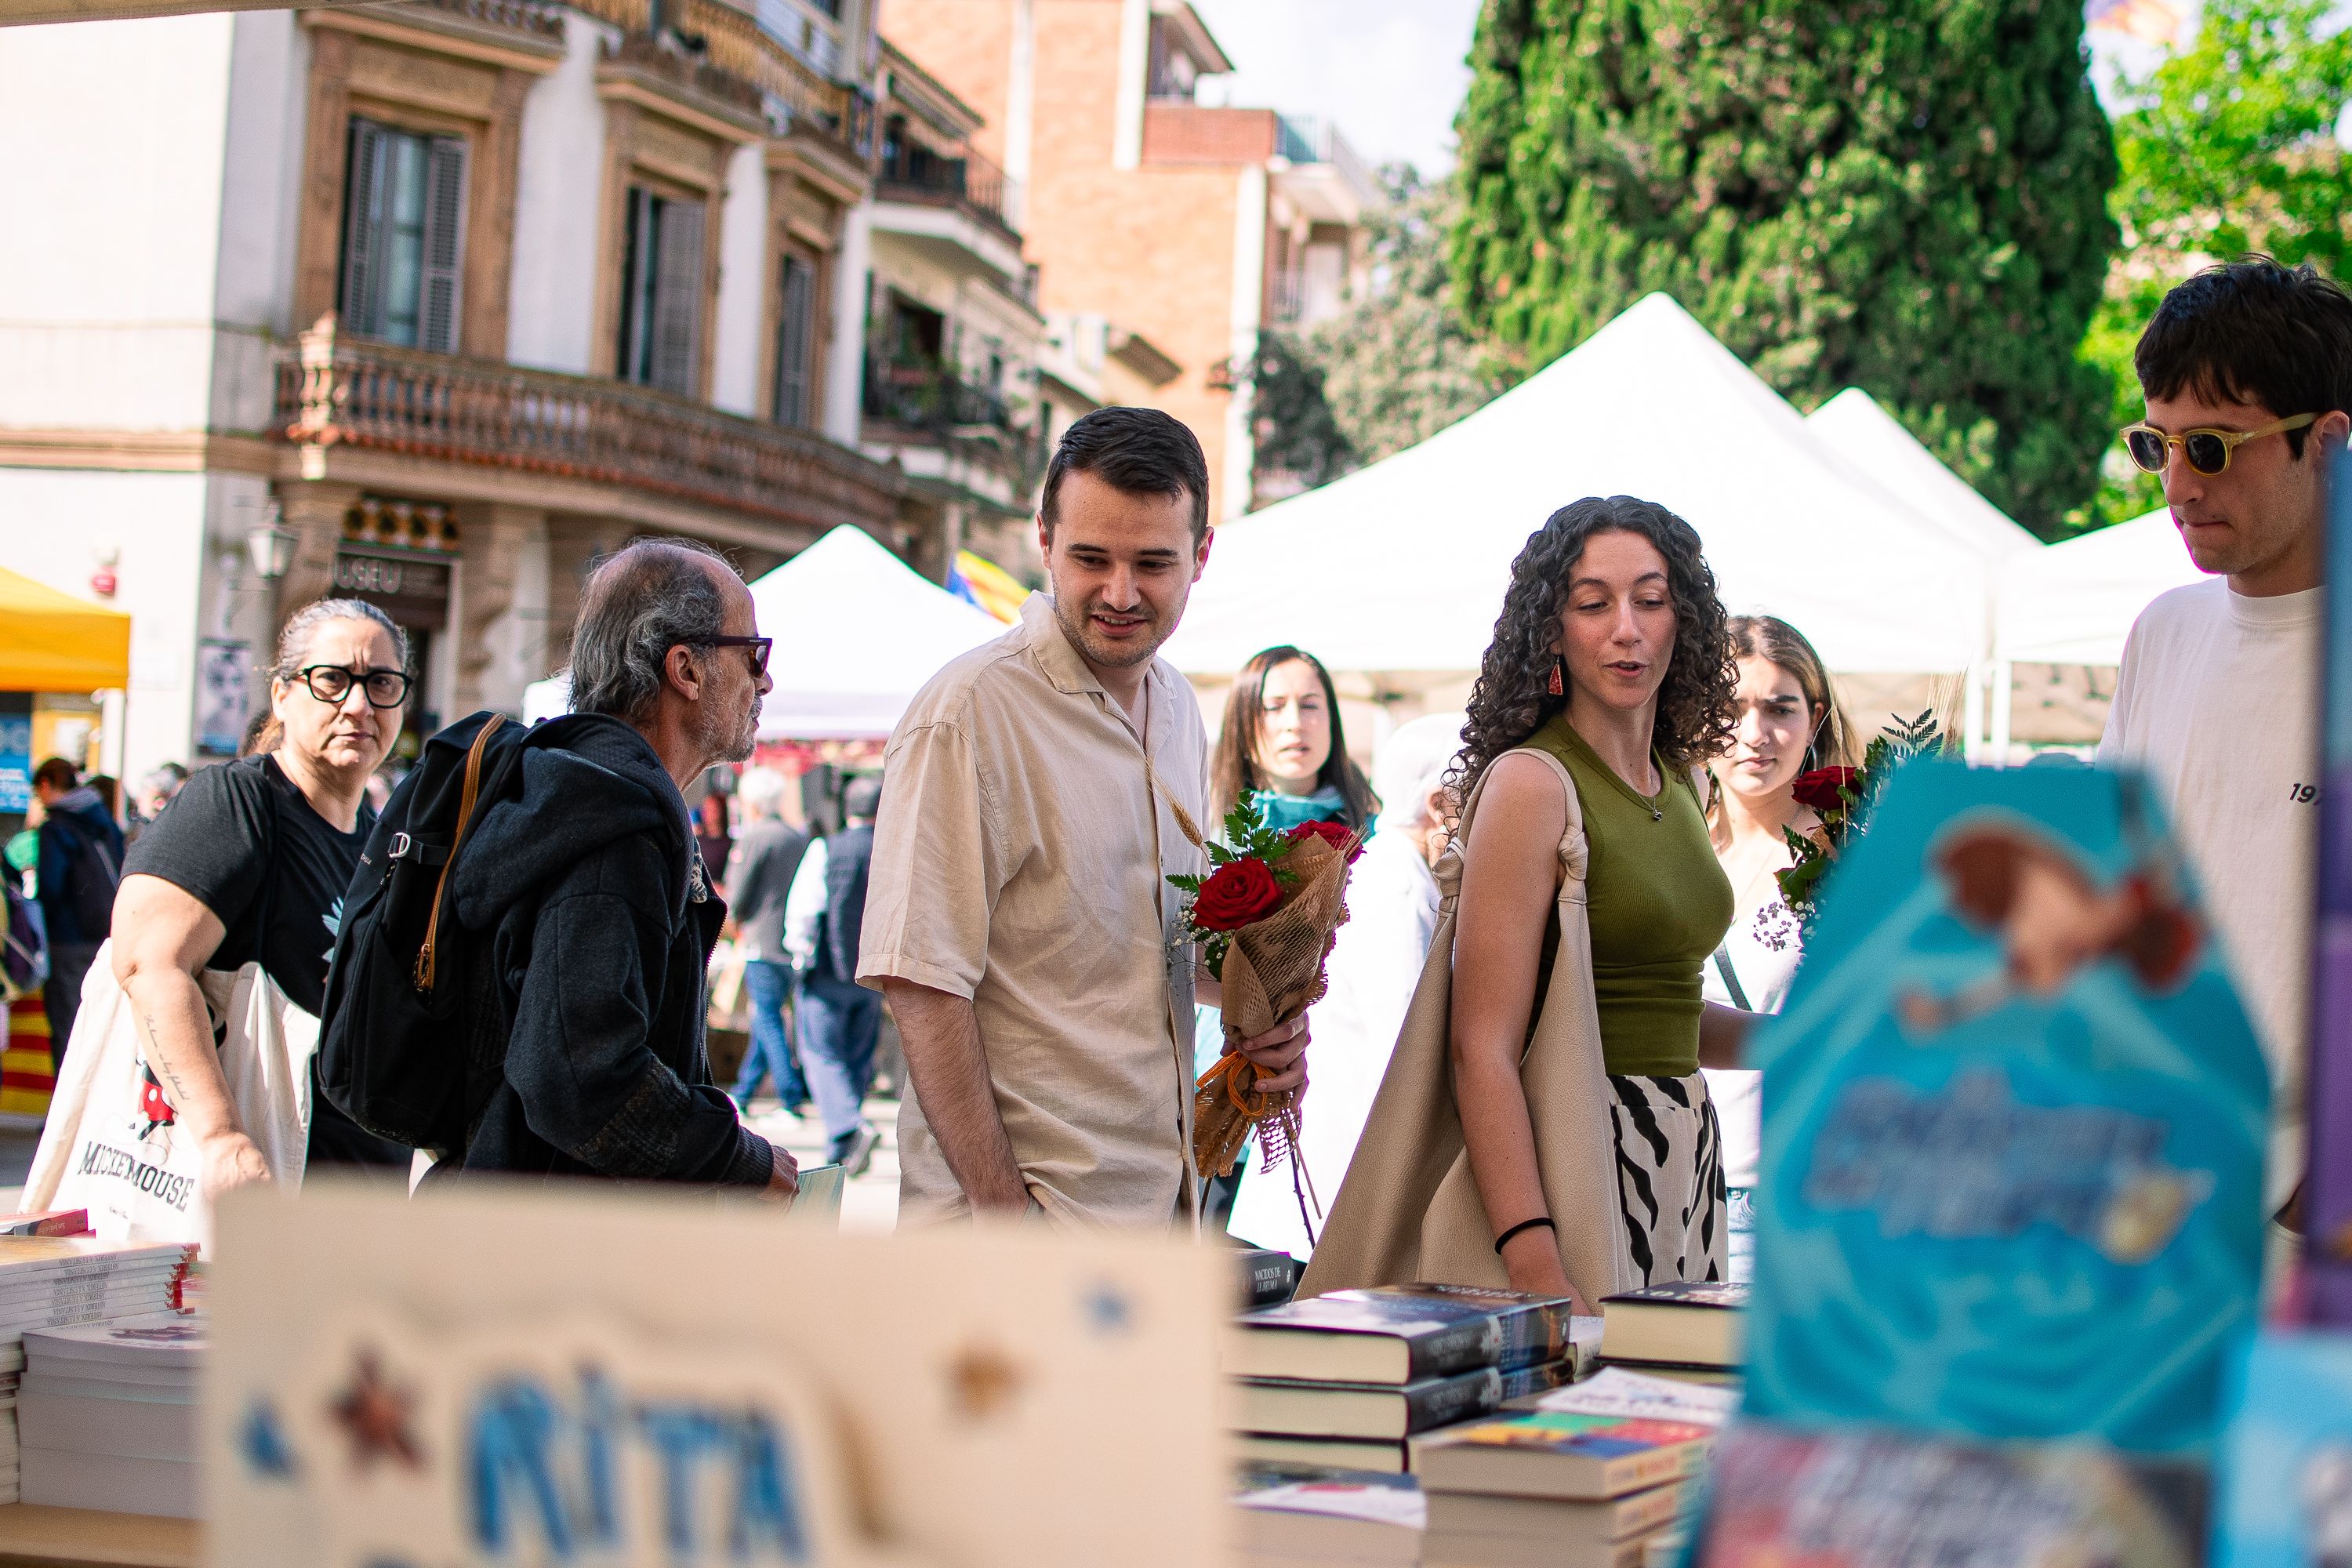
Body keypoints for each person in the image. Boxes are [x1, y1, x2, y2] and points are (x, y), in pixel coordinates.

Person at [858, 406, 1309, 1228]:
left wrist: (1259, 1007)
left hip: (1160, 1211)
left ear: (1203, 555)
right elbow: (921, 983)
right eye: (1091, 558)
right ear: (1042, 539)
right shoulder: (967, 712)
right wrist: (1008, 1220)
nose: (1121, 592)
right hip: (1023, 1231)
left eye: (1154, 562)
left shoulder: (1176, 703)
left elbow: (1153, 947)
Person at [2098, 256, 2352, 1234]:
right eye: (2154, 444)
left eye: (2210, 446)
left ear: (2327, 443)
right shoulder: (2163, 631)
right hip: (2146, 1206)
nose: (2175, 482)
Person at [430, 538, 797, 1197]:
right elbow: (577, 1075)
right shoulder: (612, 819)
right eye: (752, 655)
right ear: (685, 668)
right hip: (549, 1249)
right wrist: (736, 1157)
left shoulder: (576, 787)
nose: (763, 679)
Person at [1450, 495, 1748, 1304]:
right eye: (1594, 603)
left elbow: (1660, 1004)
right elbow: (1481, 1045)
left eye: (1652, 600)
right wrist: (1534, 1255)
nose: (1628, 627)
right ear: (1552, 629)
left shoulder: (1683, 779)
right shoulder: (1531, 784)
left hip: (1686, 1150)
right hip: (1579, 1159)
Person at [111, 601, 412, 1195]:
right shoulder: (238, 802)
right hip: (250, 1196)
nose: (358, 706)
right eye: (331, 680)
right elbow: (147, 963)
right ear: (282, 695)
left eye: (381, 683)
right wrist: (220, 1136)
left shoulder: (379, 839)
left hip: (356, 1200)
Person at [1229, 711, 1465, 1260]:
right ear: (1439, 806)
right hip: (1336, 1195)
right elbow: (1408, 1050)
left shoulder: (1395, 873)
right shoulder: (1395, 888)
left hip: (1336, 1187)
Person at [1699, 614, 1856, 1279]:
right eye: (1731, 708)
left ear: (1814, 718)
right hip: (1666, 1182)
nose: (1755, 734)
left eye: (1779, 708)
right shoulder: (1667, 842)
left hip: (1802, 1191)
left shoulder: (1855, 850)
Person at [1196, 645, 1377, 1221]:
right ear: (1244, 723)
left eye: (1311, 704)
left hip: (1349, 1069)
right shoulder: (1207, 832)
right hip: (1232, 1065)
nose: (1294, 722)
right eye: (1273, 707)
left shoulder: (1376, 833)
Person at [783, 774, 883, 1174]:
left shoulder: (827, 849)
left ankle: (848, 1127)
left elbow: (805, 910)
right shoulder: (894, 851)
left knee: (822, 1054)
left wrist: (798, 955)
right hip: (874, 972)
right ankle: (841, 1146)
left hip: (826, 972)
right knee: (857, 1057)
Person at [724, 766, 812, 1114]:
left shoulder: (754, 837)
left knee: (766, 1016)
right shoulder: (797, 836)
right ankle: (744, 1093)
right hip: (792, 939)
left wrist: (733, 921)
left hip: (761, 938)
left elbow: (738, 895)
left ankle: (790, 1097)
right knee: (769, 1017)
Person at [32, 758, 125, 1069]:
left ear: (46, 785)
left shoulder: (55, 829)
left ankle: (67, 1116)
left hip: (67, 941)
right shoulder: (105, 823)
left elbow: (51, 887)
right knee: (100, 1029)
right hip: (109, 937)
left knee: (68, 1029)